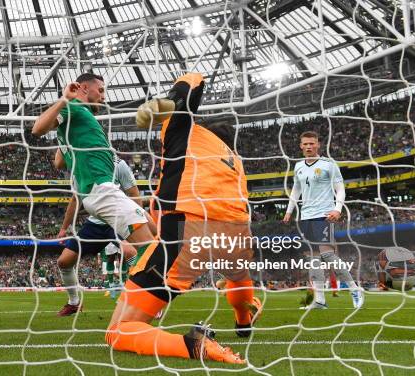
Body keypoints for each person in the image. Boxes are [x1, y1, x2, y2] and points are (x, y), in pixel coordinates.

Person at [104, 73, 261, 365]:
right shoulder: (234, 161)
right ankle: (243, 317)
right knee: (238, 278)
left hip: (186, 231)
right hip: (237, 234)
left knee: (117, 332)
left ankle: (195, 344)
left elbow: (194, 80)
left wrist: (167, 102)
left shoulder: (187, 132)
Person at [32, 73, 156, 314]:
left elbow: (59, 163)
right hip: (103, 193)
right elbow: (37, 128)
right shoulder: (75, 107)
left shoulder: (79, 116)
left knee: (153, 234)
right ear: (83, 88)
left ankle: (132, 298)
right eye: (100, 90)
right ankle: (145, 303)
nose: (103, 96)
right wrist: (64, 100)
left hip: (100, 196)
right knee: (151, 250)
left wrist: (67, 139)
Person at [53, 150, 155, 316]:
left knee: (132, 254)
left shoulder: (119, 164)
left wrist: (139, 220)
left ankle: (144, 301)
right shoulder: (80, 167)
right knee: (64, 262)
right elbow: (75, 200)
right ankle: (74, 303)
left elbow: (134, 194)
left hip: (118, 220)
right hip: (95, 223)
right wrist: (64, 228)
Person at [283, 131, 363, 309]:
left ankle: (354, 289)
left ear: (318, 144)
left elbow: (340, 188)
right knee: (313, 258)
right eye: (305, 144)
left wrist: (337, 208)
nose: (309, 146)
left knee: (327, 254)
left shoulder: (328, 164)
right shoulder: (298, 167)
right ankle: (319, 300)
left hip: (324, 214)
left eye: (312, 143)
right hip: (306, 216)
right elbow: (296, 189)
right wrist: (289, 210)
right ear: (301, 146)